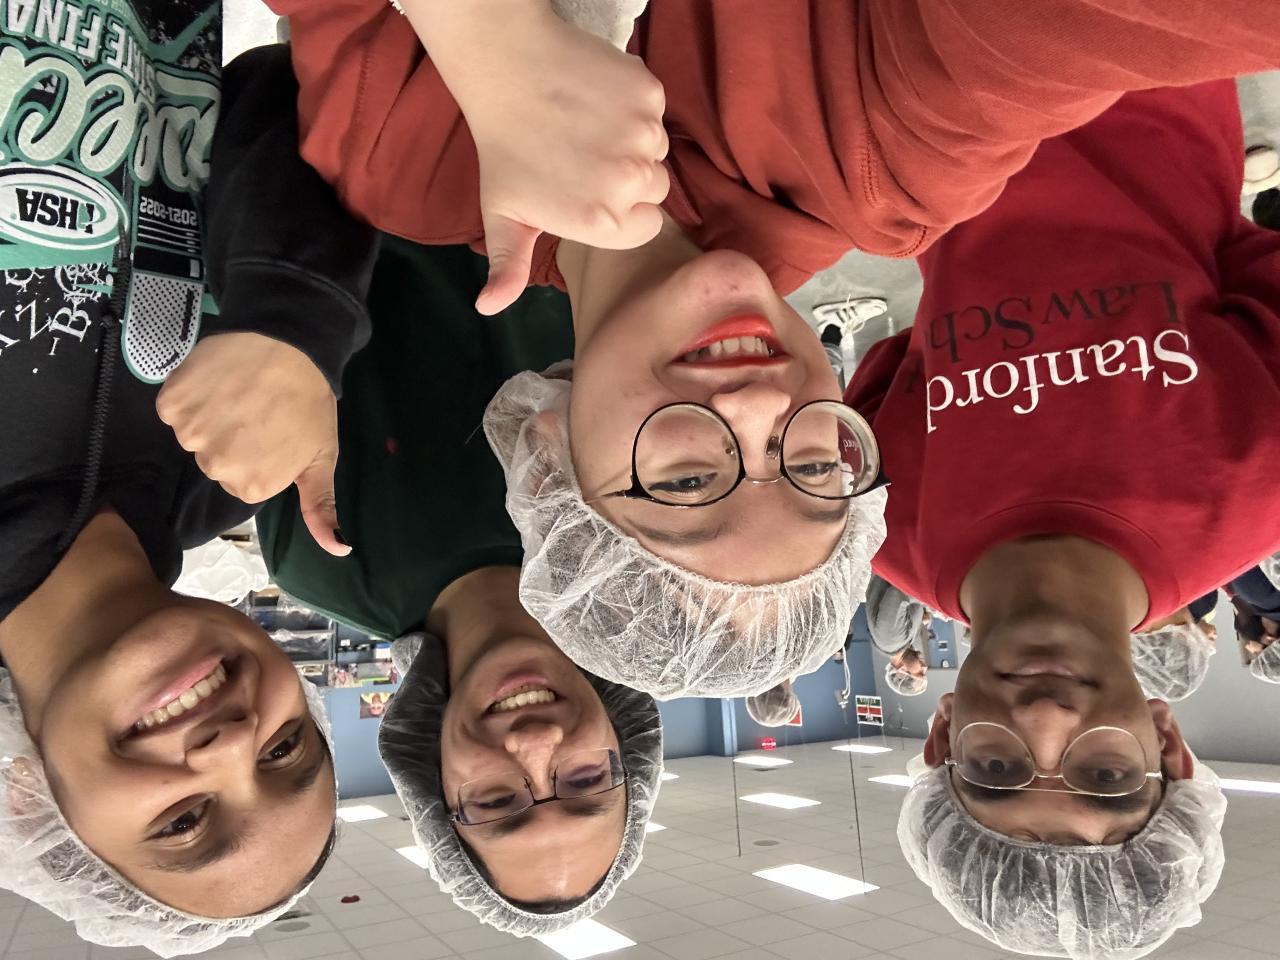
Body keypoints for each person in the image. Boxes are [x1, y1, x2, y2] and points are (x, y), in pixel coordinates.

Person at [257, 0, 1280, 699]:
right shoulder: (875, 161)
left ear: (551, 453)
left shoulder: (398, 168)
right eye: (811, 469)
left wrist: (486, 40)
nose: (757, 413)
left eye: (688, 479)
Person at [846, 79, 1265, 957]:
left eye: (995, 768)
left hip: (924, 94)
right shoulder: (1254, 485)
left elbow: (897, 357)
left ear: (942, 738)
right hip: (1151, 56)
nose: (1043, 720)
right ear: (1166, 746)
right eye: (1105, 774)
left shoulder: (876, 516)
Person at [0, 36, 372, 950]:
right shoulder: (219, 467)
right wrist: (295, 323)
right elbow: (269, 90)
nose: (231, 745)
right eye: (286, 748)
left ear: (30, 800)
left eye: (182, 821)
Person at [254, 234, 663, 931]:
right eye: (586, 779)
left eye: (498, 801)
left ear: (431, 781)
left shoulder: (319, 560)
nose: (535, 743)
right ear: (623, 742)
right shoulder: (641, 528)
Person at [865, 575, 931, 697]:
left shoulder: (890, 640)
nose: (925, 667)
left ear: (901, 672)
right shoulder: (902, 644)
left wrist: (930, 600)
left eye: (920, 673)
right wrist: (924, 615)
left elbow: (899, 593)